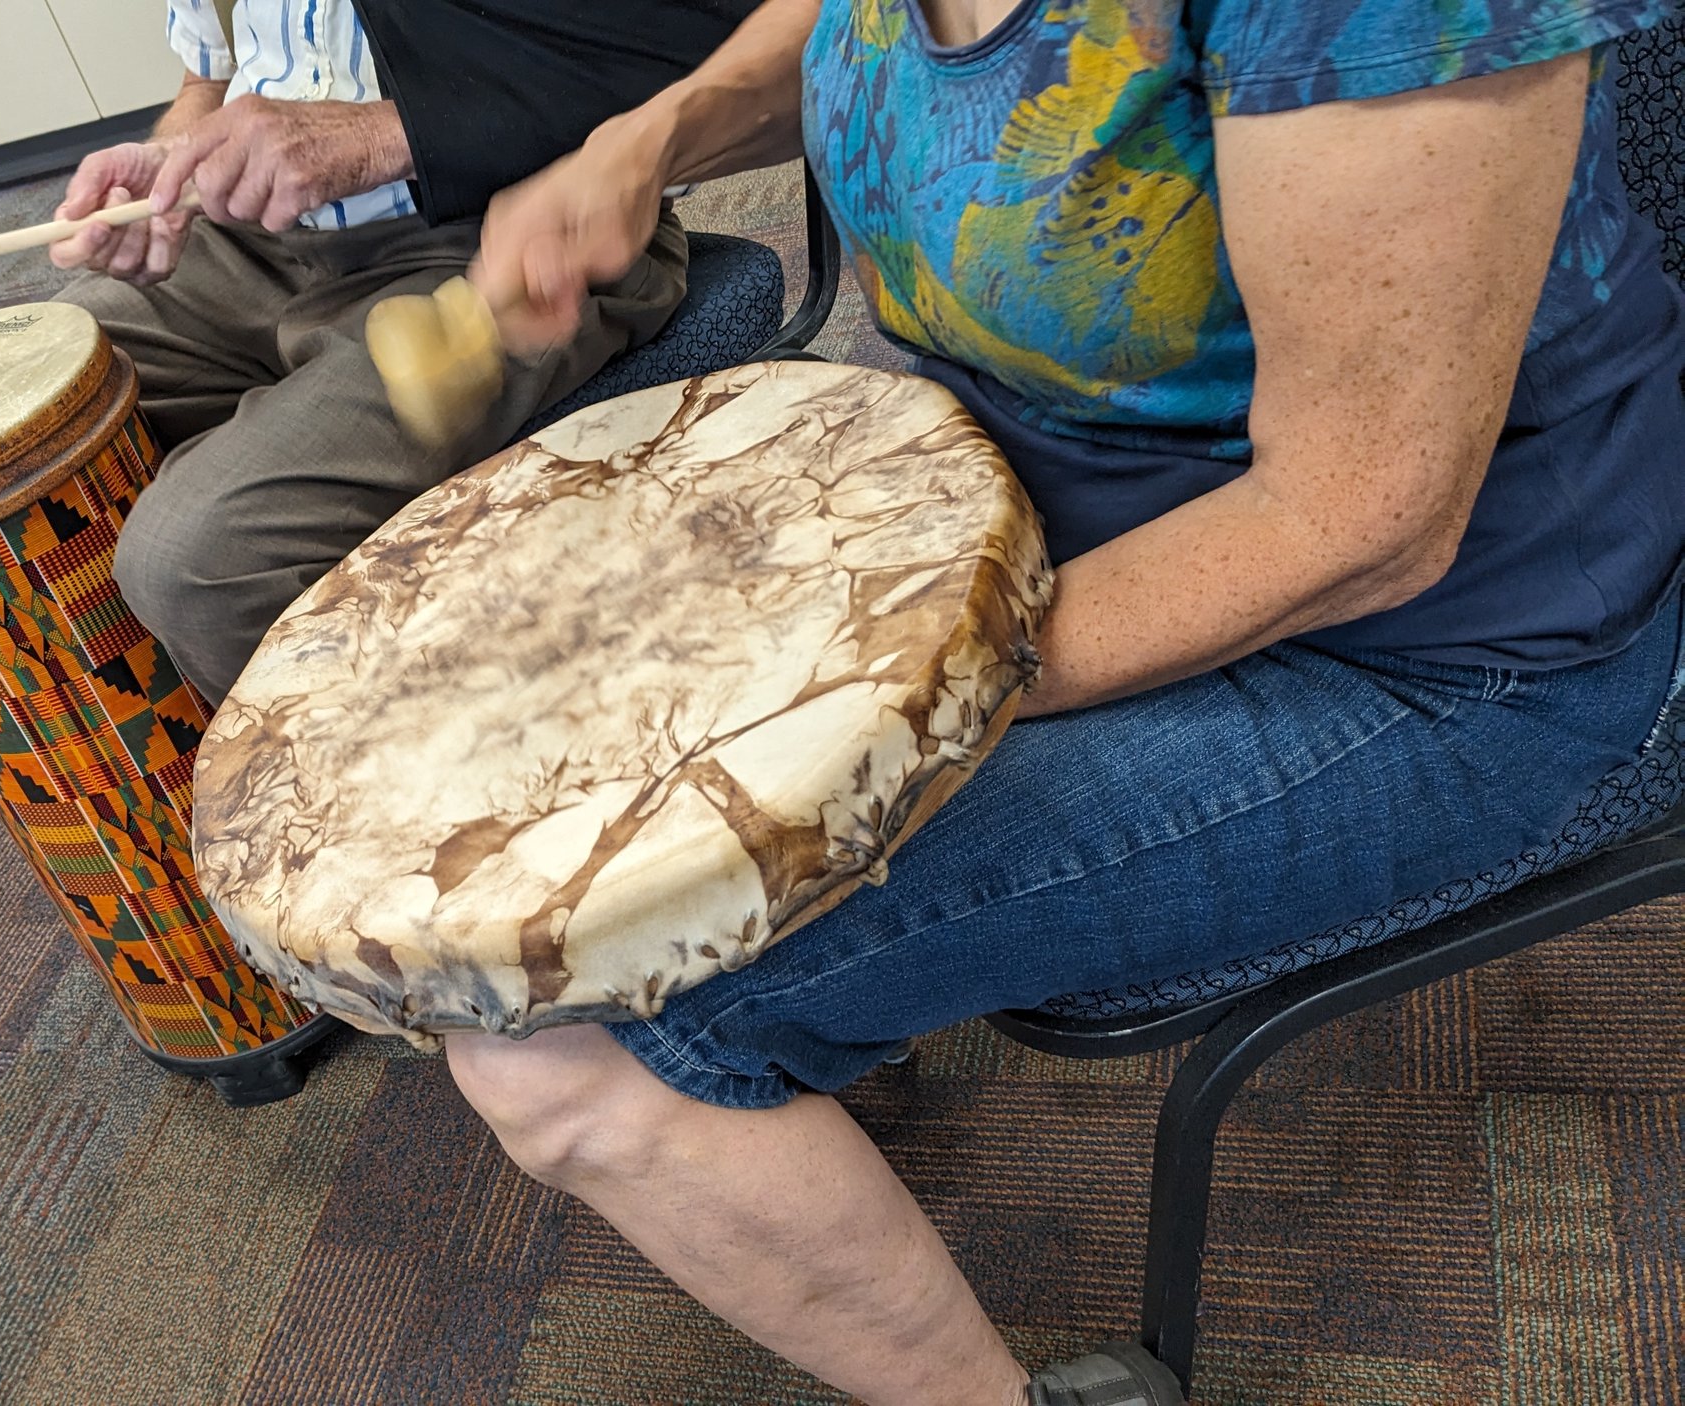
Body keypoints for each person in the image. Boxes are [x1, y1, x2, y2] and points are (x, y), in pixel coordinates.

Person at [439, 0, 1685, 1402]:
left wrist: (878, 707)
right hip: (1007, 519)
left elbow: (1365, 520)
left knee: (567, 1032)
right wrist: (647, 139)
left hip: (1427, 648)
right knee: (550, 748)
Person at [45, 0, 754, 704]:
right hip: (257, 237)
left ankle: (450, 795)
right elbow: (205, 77)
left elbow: (687, 46)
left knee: (193, 562)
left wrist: (385, 135)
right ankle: (170, 779)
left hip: (517, 226)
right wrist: (177, 168)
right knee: (37, 401)